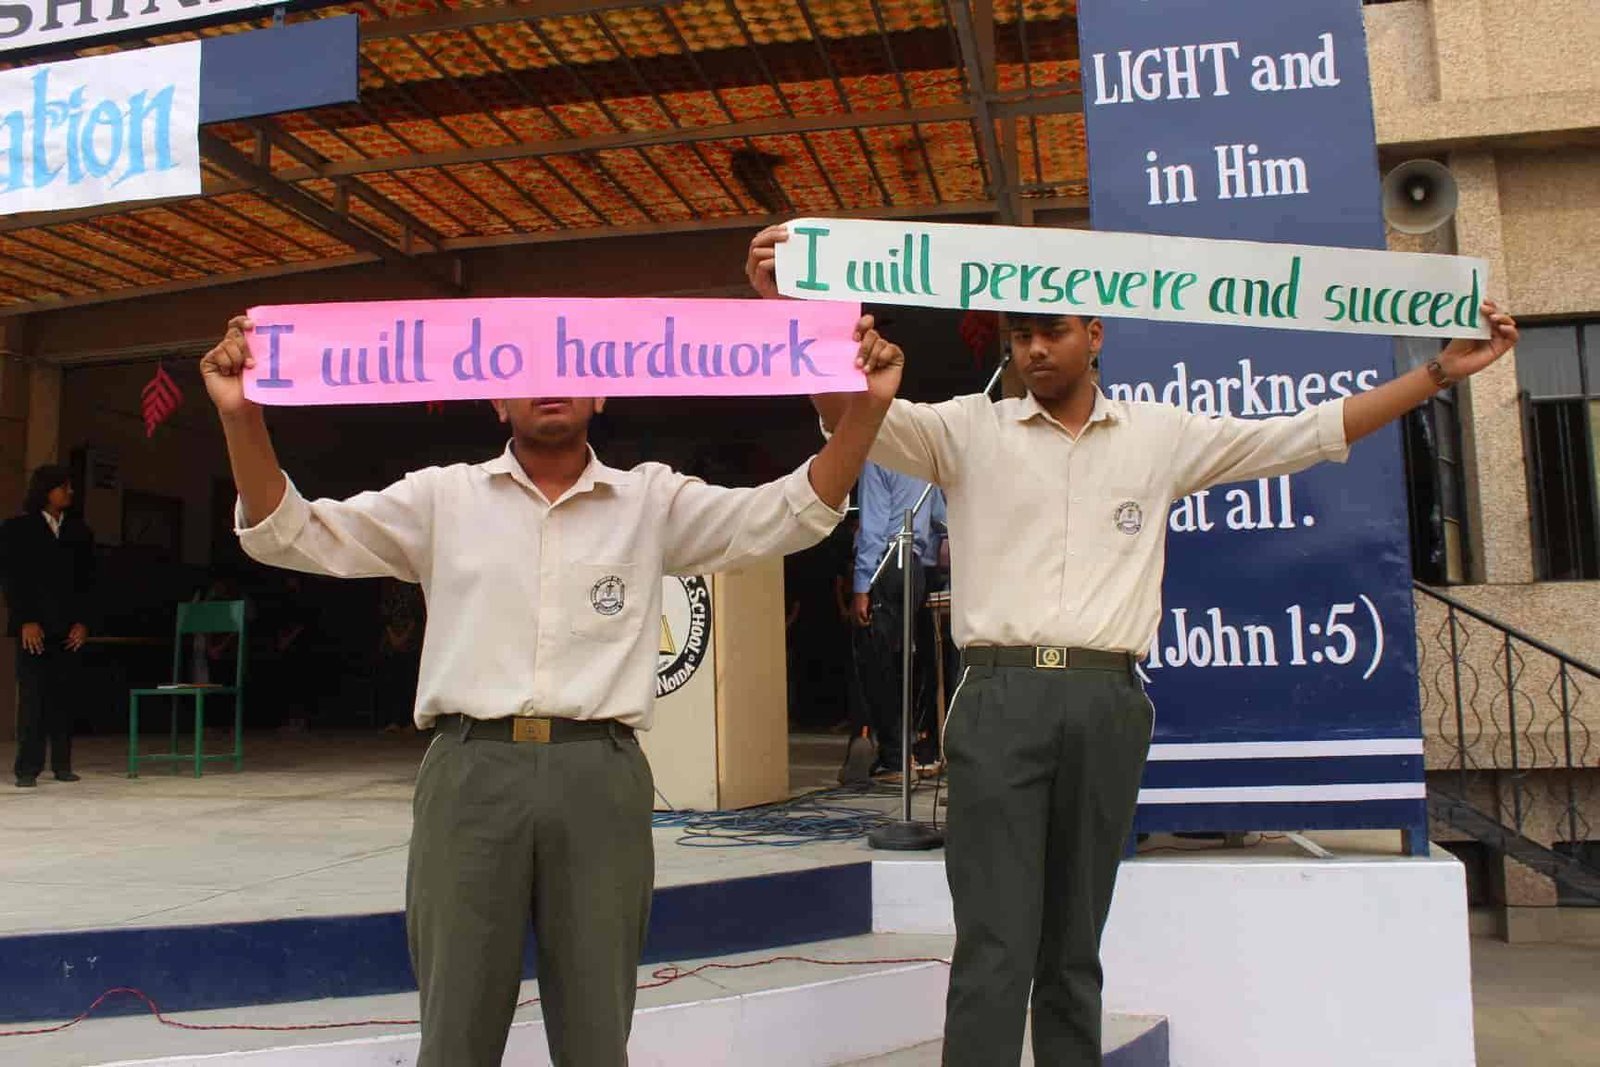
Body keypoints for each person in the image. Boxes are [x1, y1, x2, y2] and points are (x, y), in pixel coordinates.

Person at [748, 224, 1518, 1066]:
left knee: (1074, 945)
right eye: (1020, 335)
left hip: (1107, 701)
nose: (1035, 350)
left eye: (1052, 331)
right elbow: (851, 419)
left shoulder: (1159, 434)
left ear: (1095, 334)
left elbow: (1303, 433)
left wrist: (1439, 372)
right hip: (999, 697)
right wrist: (792, 313)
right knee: (994, 943)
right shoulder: (967, 429)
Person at [198, 311, 901, 1067]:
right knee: (456, 1035)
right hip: (470, 775)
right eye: (523, 365)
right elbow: (293, 532)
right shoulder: (442, 499)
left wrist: (866, 411)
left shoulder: (650, 501)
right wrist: (241, 418)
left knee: (596, 1035)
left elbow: (790, 514)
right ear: (494, 399)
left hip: (599, 776)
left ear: (603, 390)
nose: (549, 382)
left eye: (569, 362)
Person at [2, 464, 95, 788]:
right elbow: (13, 579)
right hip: (34, 628)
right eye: (63, 486)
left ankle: (62, 764)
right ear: (46, 490)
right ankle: (27, 768)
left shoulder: (79, 532)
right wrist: (25, 620)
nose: (69, 492)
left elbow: (88, 582)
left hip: (67, 628)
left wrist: (83, 622)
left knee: (64, 698)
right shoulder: (17, 528)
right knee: (33, 698)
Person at [850, 461, 943, 777]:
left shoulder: (878, 460)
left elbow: (873, 527)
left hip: (888, 560)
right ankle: (909, 748)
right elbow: (941, 518)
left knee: (878, 661)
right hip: (915, 565)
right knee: (905, 661)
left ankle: (894, 756)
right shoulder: (924, 462)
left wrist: (862, 584)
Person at [375, 576, 425, 733]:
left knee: (410, 684)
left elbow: (417, 616)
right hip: (391, 646)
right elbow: (385, 617)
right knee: (392, 684)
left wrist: (405, 636)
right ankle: (393, 721)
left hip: (411, 645)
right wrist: (394, 638)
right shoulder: (388, 590)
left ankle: (410, 722)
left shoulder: (415, 590)